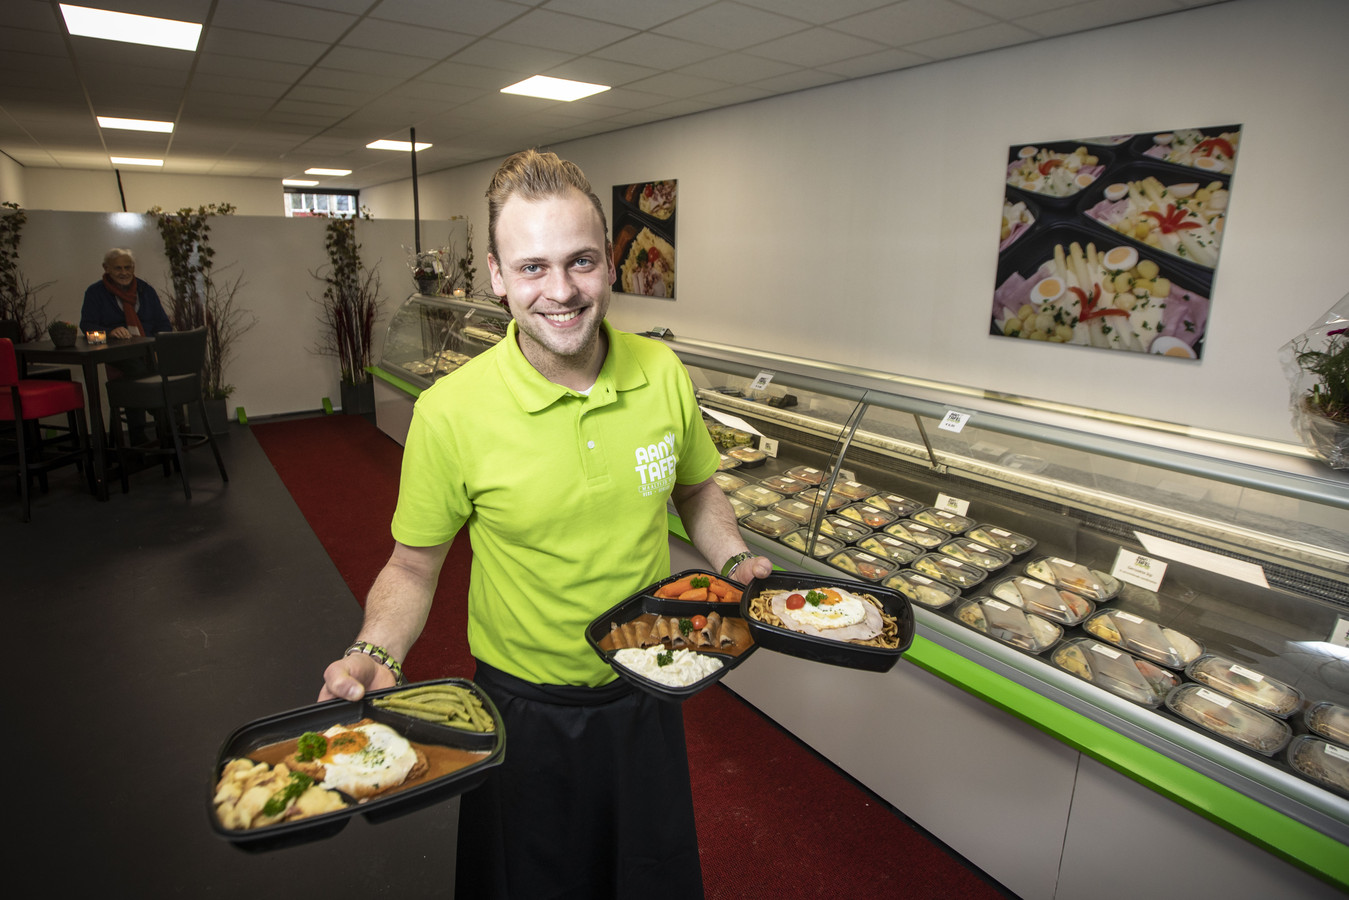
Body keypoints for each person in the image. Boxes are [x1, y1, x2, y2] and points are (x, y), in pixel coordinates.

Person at [318, 148, 772, 899]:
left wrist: (729, 558)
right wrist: (377, 650)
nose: (560, 291)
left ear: (608, 263)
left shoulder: (661, 373)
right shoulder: (451, 413)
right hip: (522, 710)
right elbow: (411, 566)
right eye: (532, 267)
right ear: (496, 275)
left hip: (648, 685)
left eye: (581, 261)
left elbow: (695, 490)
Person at [80, 248, 175, 445]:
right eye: (118, 268)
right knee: (140, 372)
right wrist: (109, 333)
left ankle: (144, 432)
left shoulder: (145, 290)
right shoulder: (95, 293)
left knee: (143, 373)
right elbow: (88, 332)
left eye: (128, 267)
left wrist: (153, 344)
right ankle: (162, 419)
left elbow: (164, 325)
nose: (124, 272)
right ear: (106, 269)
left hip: (149, 352)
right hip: (118, 355)